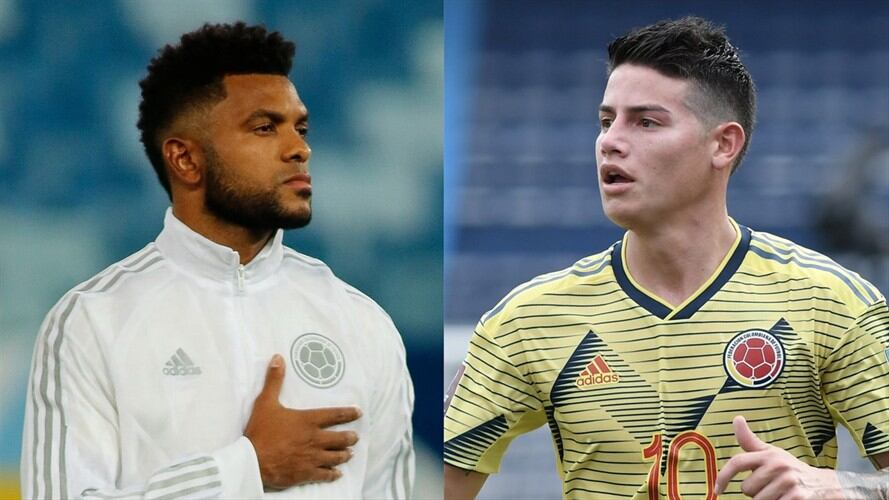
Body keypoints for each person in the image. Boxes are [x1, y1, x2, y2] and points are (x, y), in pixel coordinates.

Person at [443, 17, 889, 500]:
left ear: (723, 144)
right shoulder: (528, 319)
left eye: (646, 121)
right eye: (605, 120)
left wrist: (841, 487)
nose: (610, 141)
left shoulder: (832, 301)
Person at [21, 22, 414, 499]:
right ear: (185, 160)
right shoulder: (92, 321)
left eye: (301, 128)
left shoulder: (362, 323)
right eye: (265, 127)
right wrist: (245, 469)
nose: (300, 148)